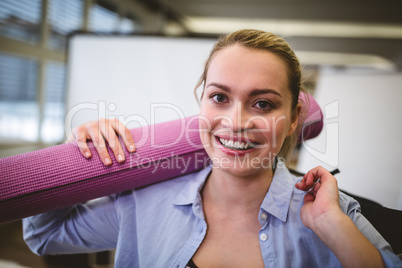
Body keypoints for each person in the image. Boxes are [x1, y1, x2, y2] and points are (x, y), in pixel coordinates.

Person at [23, 29, 401, 268]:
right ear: (200, 102)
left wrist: (330, 225)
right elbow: (45, 236)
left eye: (263, 104)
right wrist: (73, 158)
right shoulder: (146, 202)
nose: (235, 121)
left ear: (294, 115)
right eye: (219, 97)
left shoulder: (333, 214)